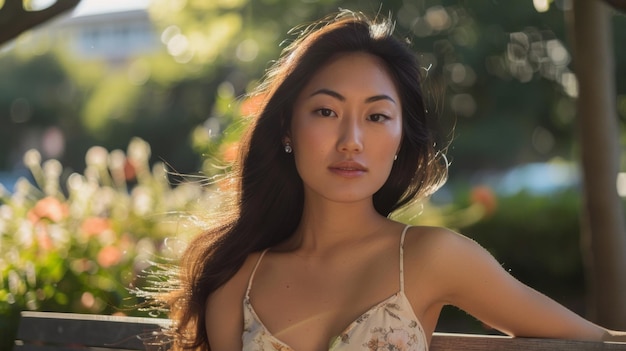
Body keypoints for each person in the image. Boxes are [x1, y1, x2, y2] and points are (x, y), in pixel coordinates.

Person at [163, 10, 626, 351]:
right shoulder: (237, 276)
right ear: (287, 128)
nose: (351, 140)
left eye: (377, 116)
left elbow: (600, 344)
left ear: (402, 137)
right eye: (326, 111)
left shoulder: (432, 258)